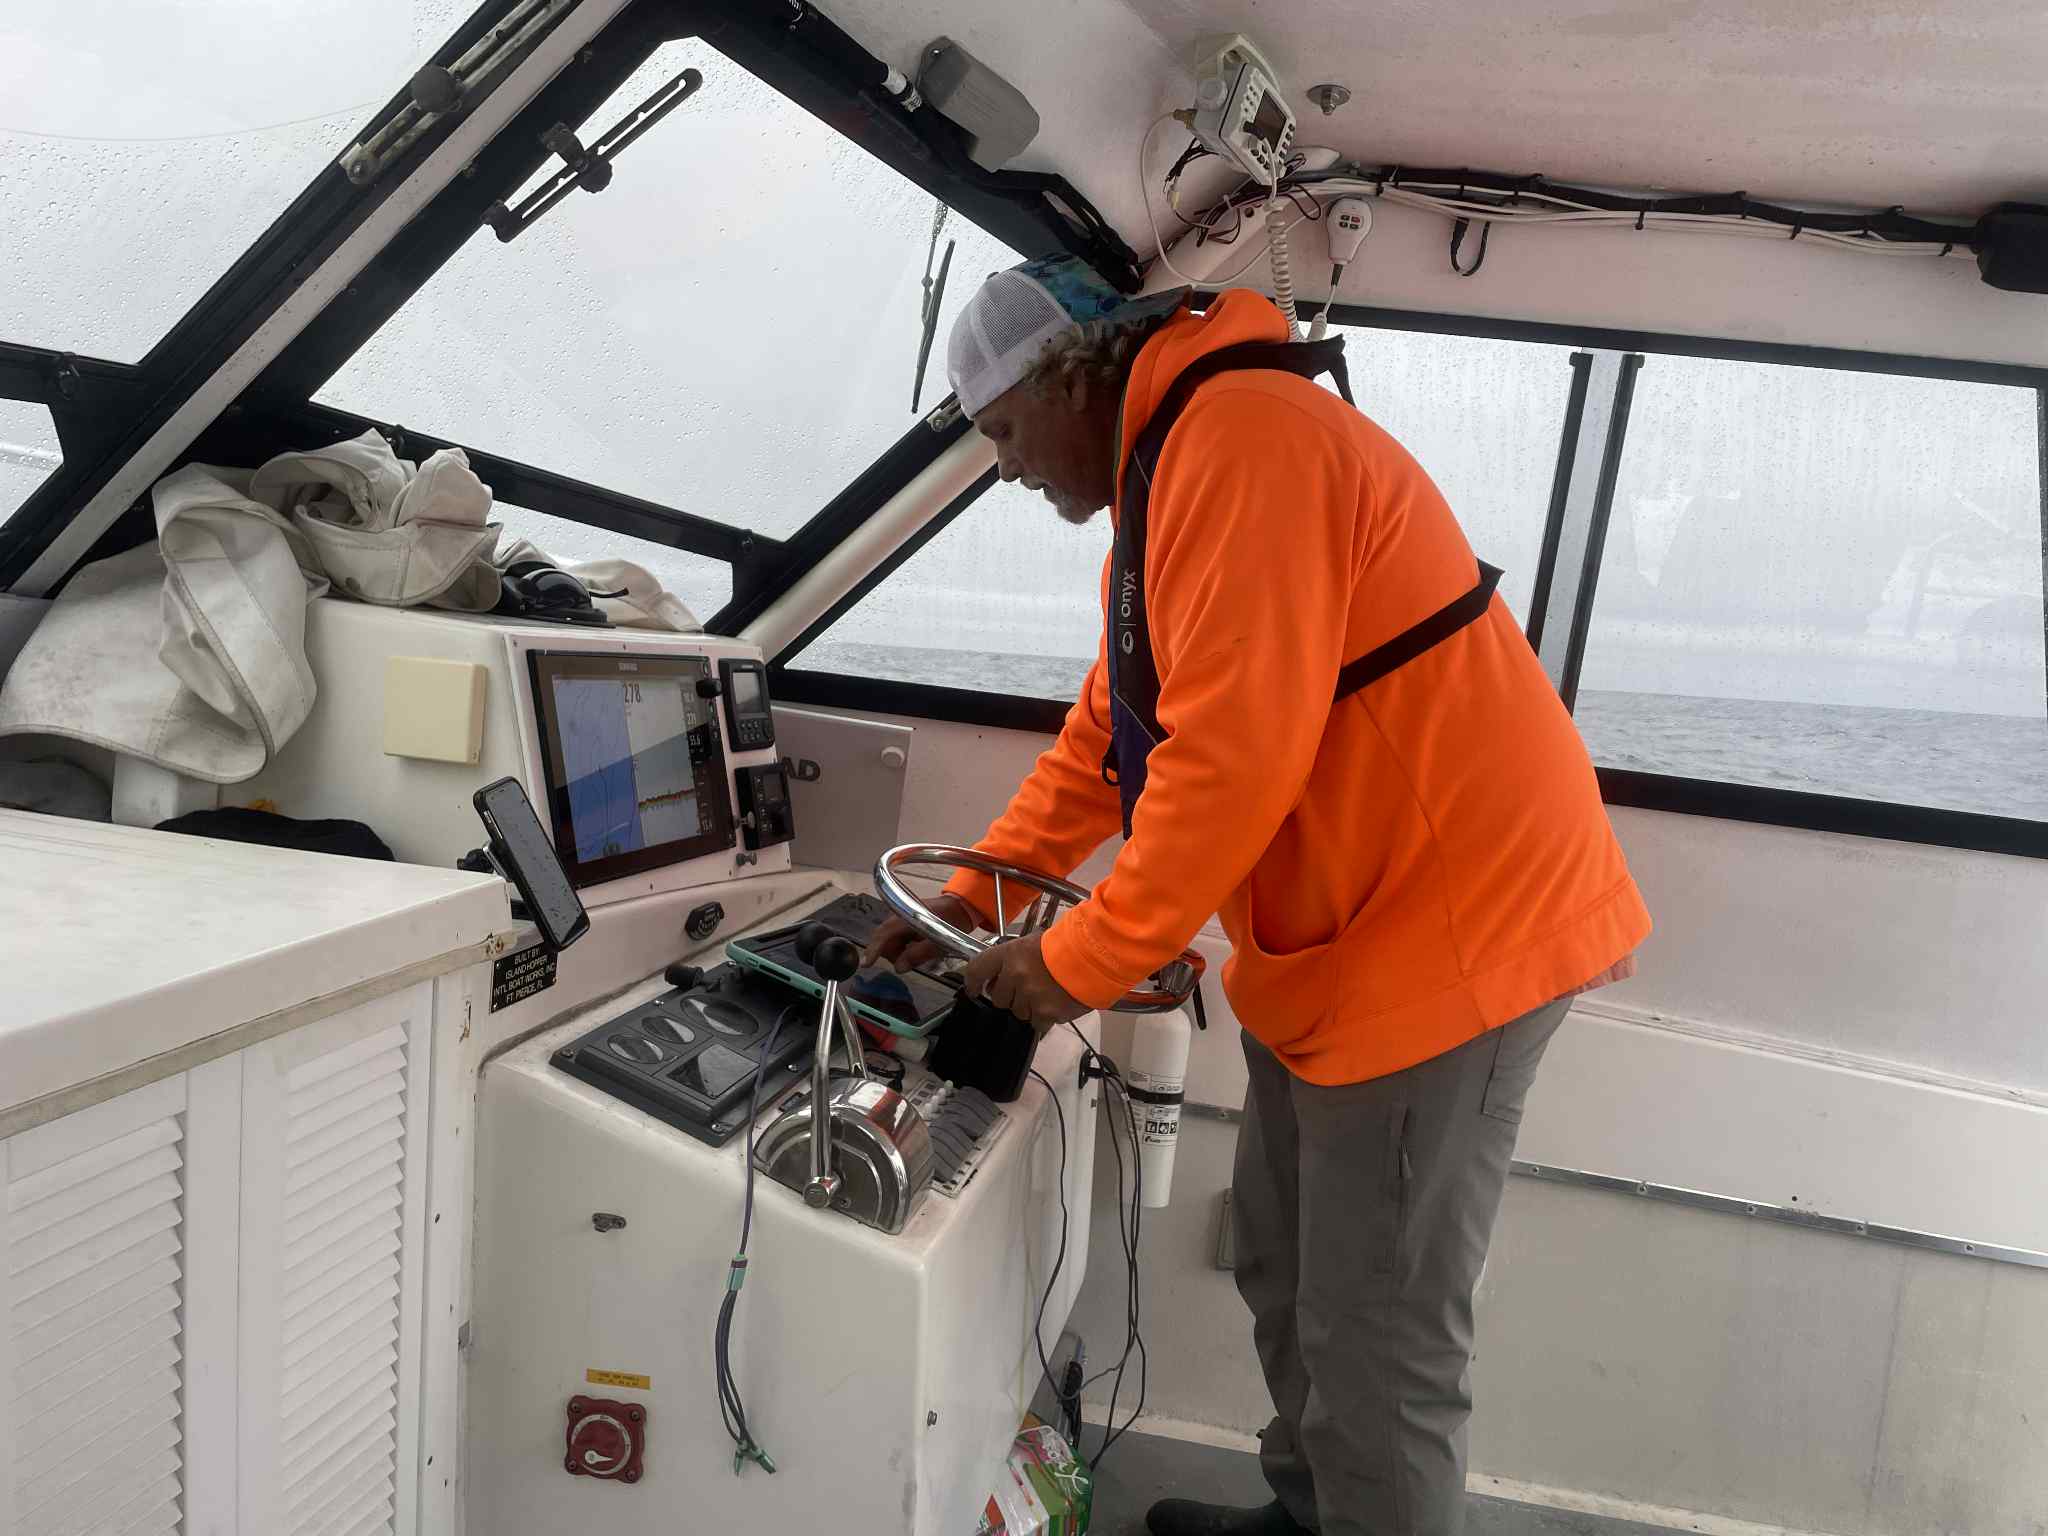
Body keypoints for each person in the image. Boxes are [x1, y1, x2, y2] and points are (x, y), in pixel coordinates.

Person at [866, 255, 1651, 1536]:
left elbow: (1231, 759)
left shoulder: (1241, 441)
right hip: (1350, 942)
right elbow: (1110, 737)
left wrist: (1074, 962)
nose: (1004, 464)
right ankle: (1304, 1518)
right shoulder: (1174, 470)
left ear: (1070, 379)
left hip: (1447, 940)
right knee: (1289, 1262)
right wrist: (971, 893)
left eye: (1003, 430)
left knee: (1377, 1339)